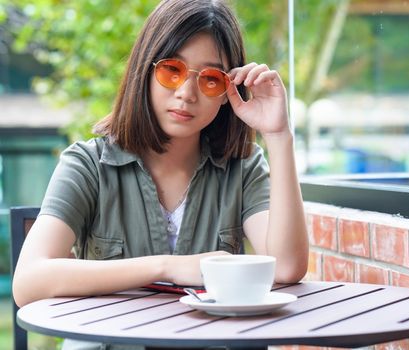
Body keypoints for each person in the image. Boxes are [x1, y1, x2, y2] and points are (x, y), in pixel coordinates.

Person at [13, 0, 308, 347]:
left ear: (229, 93)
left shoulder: (241, 167)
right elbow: (29, 281)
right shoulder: (88, 165)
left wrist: (278, 135)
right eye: (172, 70)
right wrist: (167, 267)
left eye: (210, 79)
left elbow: (288, 268)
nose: (186, 93)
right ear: (144, 71)